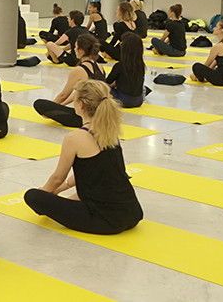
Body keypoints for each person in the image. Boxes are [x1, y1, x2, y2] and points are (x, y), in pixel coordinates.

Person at [24, 80, 143, 235]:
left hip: (105, 220)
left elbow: (57, 178)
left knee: (32, 196)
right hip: (132, 213)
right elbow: (94, 172)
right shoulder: (110, 131)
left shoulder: (75, 138)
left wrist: (45, 193)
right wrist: (60, 190)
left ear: (80, 105)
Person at [34, 35, 103, 128]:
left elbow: (63, 95)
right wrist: (61, 105)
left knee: (39, 104)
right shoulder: (100, 67)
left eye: (75, 47)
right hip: (100, 114)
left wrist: (53, 107)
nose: (74, 49)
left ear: (81, 51)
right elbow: (79, 92)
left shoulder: (79, 70)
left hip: (83, 119)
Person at [190, 20, 223, 87]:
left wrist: (196, 74)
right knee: (216, 69)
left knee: (196, 66)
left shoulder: (218, 46)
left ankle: (201, 79)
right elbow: (216, 61)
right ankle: (205, 78)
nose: (214, 28)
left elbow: (206, 65)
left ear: (221, 30)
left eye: (216, 27)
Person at [104, 33, 146, 108]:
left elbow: (107, 82)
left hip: (123, 100)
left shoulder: (120, 65)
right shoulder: (141, 65)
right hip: (139, 100)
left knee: (100, 89)